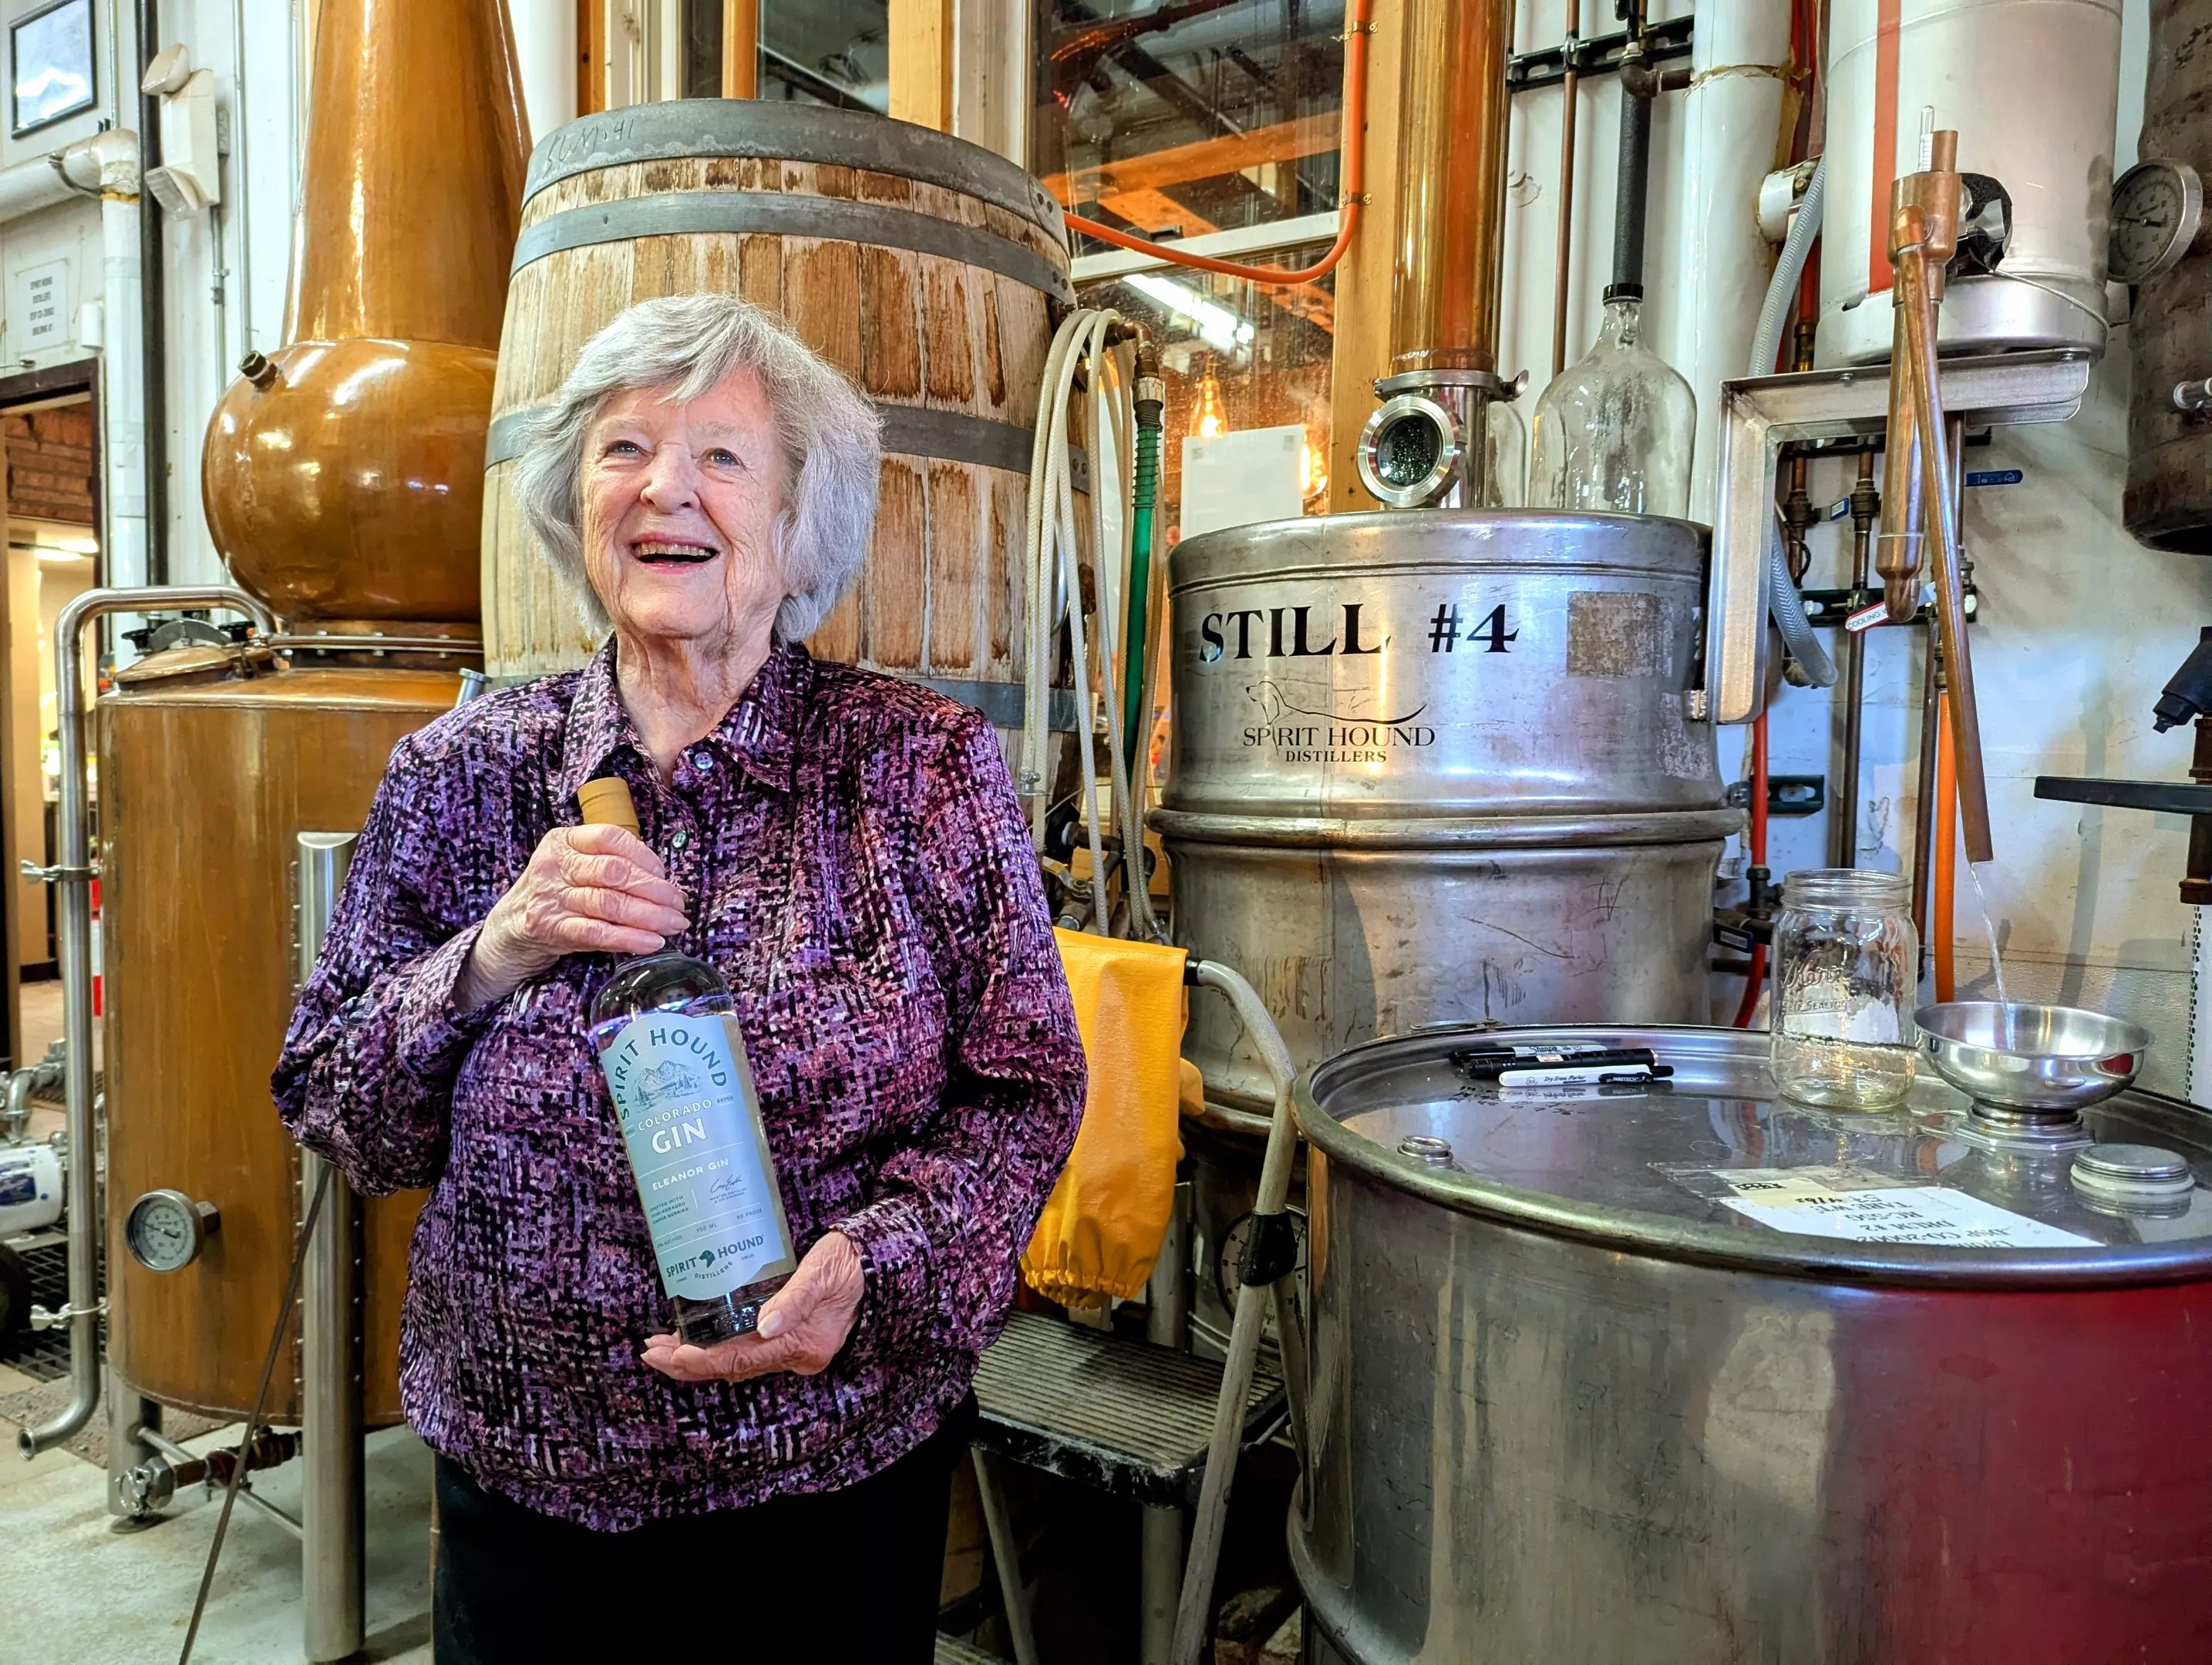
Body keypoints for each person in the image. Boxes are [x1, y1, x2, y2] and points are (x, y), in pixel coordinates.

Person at [274, 292, 1087, 1663]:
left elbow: (1023, 1092)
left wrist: (874, 1266)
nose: (668, 487)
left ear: (795, 521)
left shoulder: (918, 767)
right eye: (623, 449)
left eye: (722, 456)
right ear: (575, 504)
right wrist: (492, 952)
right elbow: (337, 1107)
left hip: (825, 1471)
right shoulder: (465, 773)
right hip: (529, 1486)